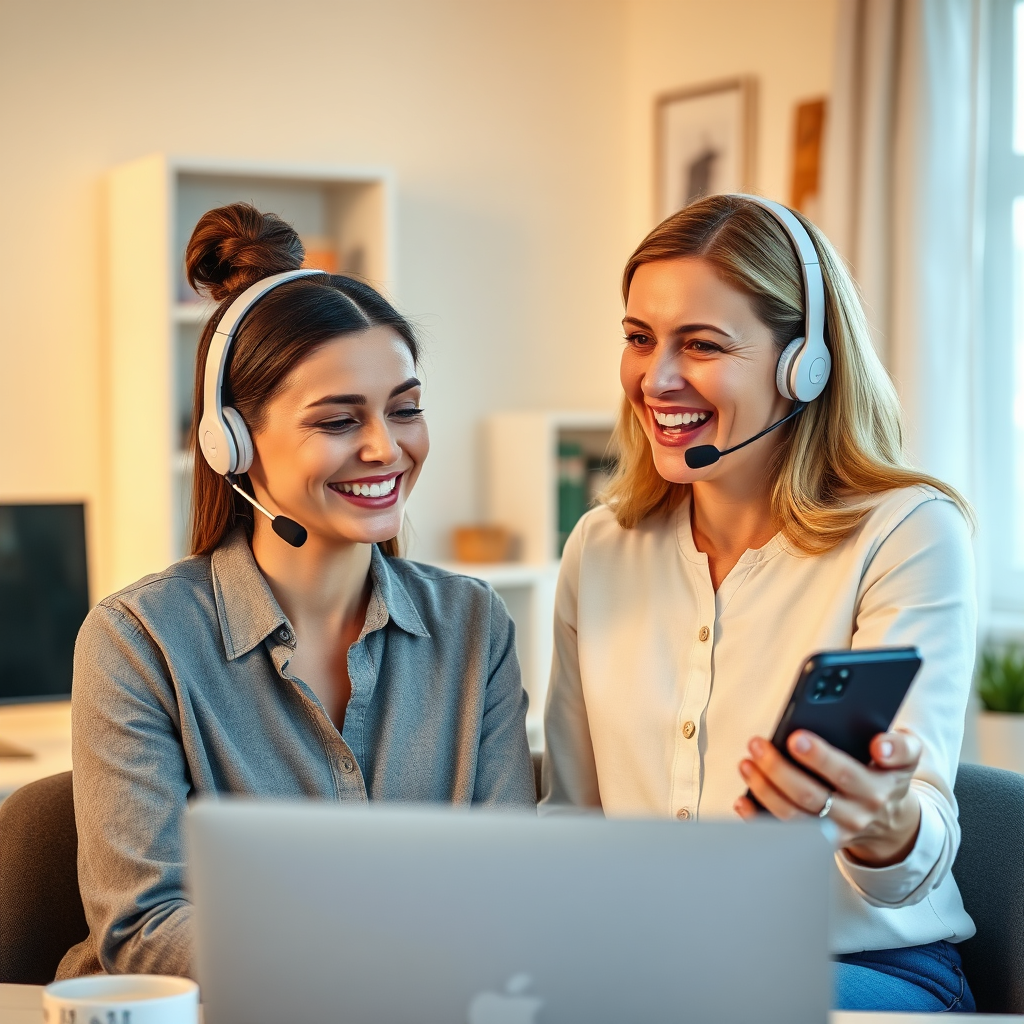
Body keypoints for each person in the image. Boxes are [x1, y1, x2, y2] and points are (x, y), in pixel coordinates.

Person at [59, 203, 535, 980]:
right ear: (234, 442)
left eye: (405, 409)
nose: (387, 448)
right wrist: (381, 955)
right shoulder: (137, 642)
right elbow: (144, 930)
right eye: (340, 419)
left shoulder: (474, 625)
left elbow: (512, 882)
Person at [541, 194, 977, 1013]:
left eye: (701, 345)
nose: (656, 378)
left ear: (803, 364)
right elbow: (576, 818)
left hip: (860, 969)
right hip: (650, 979)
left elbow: (916, 844)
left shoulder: (907, 533)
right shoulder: (600, 547)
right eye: (639, 339)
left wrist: (882, 823)